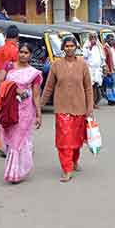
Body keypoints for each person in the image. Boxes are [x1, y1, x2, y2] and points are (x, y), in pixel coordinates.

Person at [41, 37, 93, 183]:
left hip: (79, 108)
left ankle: (74, 161)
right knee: (64, 141)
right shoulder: (56, 65)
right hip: (62, 108)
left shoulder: (83, 65)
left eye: (72, 46)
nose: (69, 48)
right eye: (67, 46)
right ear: (63, 48)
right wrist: (40, 105)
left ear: (76, 48)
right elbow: (49, 87)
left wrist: (89, 107)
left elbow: (88, 88)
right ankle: (67, 169)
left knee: (77, 140)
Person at [0, 43, 42, 183]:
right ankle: (15, 168)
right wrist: (14, 88)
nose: (23, 55)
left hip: (26, 110)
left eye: (26, 53)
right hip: (10, 107)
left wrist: (38, 115)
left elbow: (36, 96)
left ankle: (15, 172)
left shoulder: (34, 73)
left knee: (19, 139)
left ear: (30, 55)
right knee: (10, 138)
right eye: (21, 52)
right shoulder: (9, 66)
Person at [0, 25, 20, 155]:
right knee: (13, 116)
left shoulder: (0, 50)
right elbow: (19, 71)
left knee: (2, 115)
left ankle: (1, 144)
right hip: (13, 86)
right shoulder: (16, 51)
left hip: (1, 85)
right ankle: (10, 144)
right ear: (17, 37)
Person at [83, 33, 105, 109]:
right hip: (90, 69)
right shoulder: (86, 46)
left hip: (97, 70)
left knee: (96, 86)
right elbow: (85, 56)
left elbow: (102, 57)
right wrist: (90, 47)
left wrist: (104, 67)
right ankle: (90, 104)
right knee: (90, 87)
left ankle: (94, 103)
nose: (93, 38)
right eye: (91, 37)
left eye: (94, 37)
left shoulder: (99, 46)